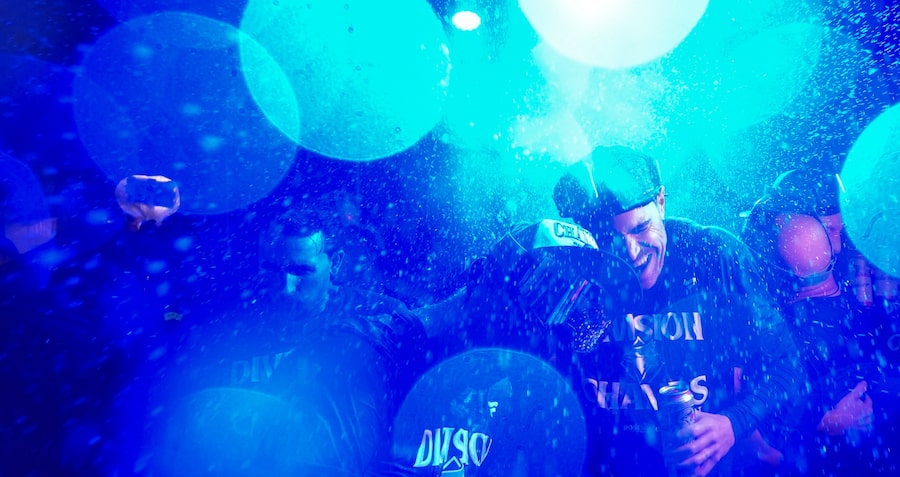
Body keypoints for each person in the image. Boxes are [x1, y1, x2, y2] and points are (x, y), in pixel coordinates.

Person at [552, 145, 804, 477]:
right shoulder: (571, 274)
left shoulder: (714, 256)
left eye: (641, 229)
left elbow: (788, 367)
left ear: (661, 201)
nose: (630, 252)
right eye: (609, 239)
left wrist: (732, 424)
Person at [128, 204, 427, 477]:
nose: (286, 287)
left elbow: (412, 419)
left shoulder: (378, 318)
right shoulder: (228, 331)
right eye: (274, 269)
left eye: (301, 270)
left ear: (334, 263)